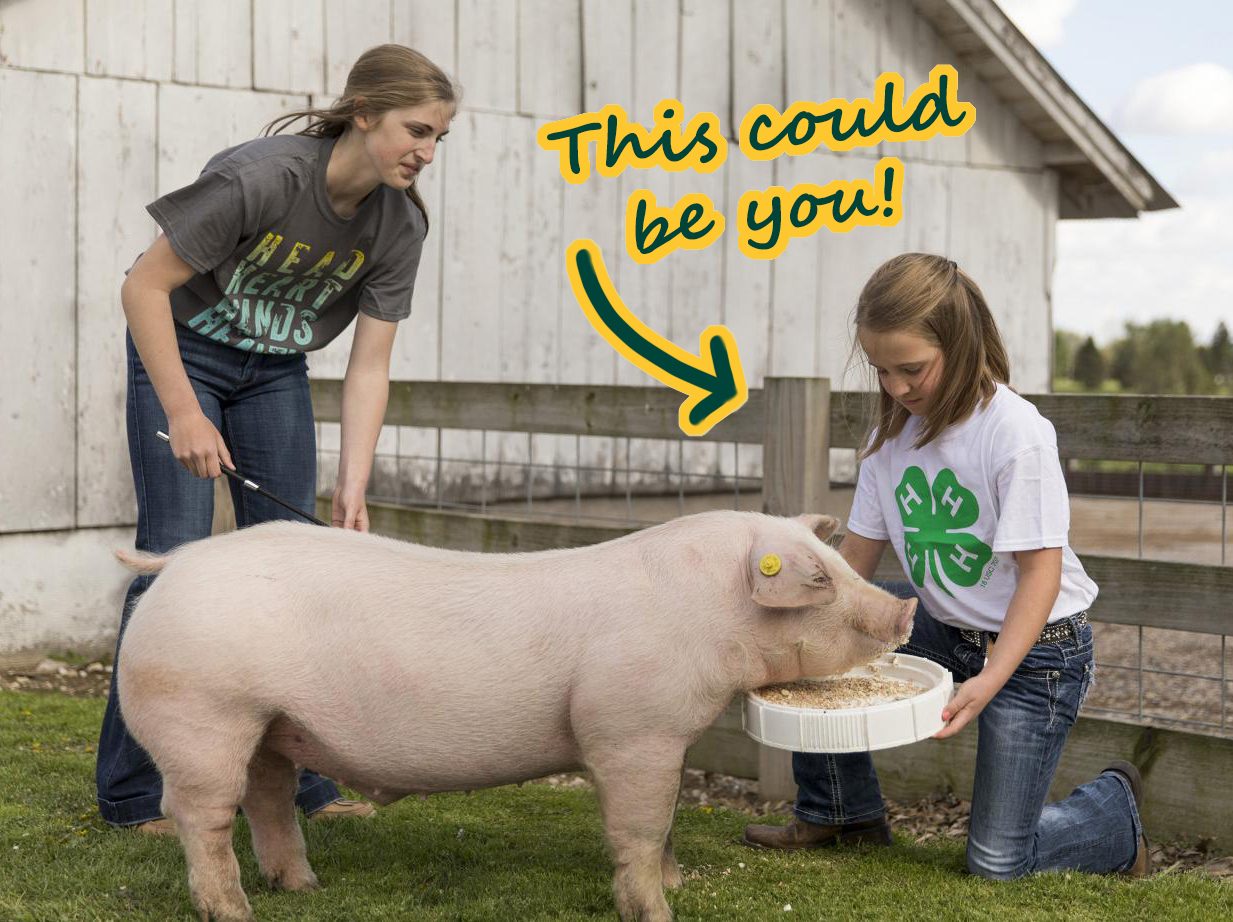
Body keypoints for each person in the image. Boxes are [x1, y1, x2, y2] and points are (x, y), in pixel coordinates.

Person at [96, 44, 458, 834]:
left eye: (438, 139)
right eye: (416, 131)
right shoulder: (262, 178)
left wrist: (353, 481)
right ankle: (129, 795)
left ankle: (304, 790)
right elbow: (142, 287)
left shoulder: (399, 225)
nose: (426, 152)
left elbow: (369, 366)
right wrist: (184, 411)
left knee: (298, 574)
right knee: (174, 559)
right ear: (363, 114)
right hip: (184, 349)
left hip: (273, 370)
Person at [743, 253, 1149, 878]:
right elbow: (854, 566)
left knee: (997, 864)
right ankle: (840, 809)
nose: (897, 388)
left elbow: (1039, 577)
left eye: (912, 369)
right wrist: (794, 624)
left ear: (960, 346)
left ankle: (1113, 815)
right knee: (818, 635)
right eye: (881, 370)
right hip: (942, 627)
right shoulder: (888, 446)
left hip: (1037, 649)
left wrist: (989, 678)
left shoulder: (1015, 434)